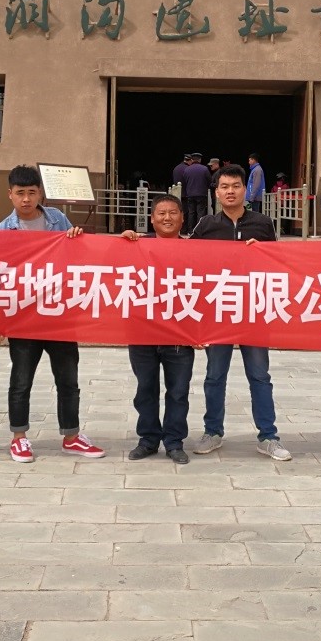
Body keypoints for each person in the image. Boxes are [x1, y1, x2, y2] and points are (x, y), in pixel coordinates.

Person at [0, 165, 106, 463]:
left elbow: (77, 256)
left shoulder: (57, 219)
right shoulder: (3, 230)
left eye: (31, 192)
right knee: (21, 381)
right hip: (24, 318)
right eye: (20, 193)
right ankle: (19, 438)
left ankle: (71, 436)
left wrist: (77, 237)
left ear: (40, 193)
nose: (26, 199)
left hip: (59, 314)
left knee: (68, 380)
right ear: (10, 194)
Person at [189, 164, 290, 460]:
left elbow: (278, 264)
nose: (230, 191)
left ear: (245, 190)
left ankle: (268, 436)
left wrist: (263, 252)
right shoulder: (206, 225)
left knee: (259, 376)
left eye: (236, 186)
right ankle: (212, 431)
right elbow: (184, 260)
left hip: (254, 311)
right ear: (216, 192)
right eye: (224, 186)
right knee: (214, 375)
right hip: (219, 311)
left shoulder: (263, 224)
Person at [120, 195, 194, 464]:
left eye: (173, 213)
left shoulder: (195, 249)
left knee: (178, 392)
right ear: (151, 219)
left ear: (182, 218)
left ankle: (174, 442)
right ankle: (148, 439)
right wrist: (121, 241)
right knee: (145, 389)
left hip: (179, 336)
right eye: (161, 213)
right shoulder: (136, 246)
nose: (167, 218)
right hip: (142, 333)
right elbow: (108, 266)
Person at [181, 152, 211, 234]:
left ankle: (190, 230)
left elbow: (184, 181)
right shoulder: (204, 169)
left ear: (192, 159)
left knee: (191, 213)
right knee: (200, 212)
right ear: (200, 159)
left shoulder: (187, 169)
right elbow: (209, 180)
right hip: (201, 194)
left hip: (190, 194)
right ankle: (199, 230)